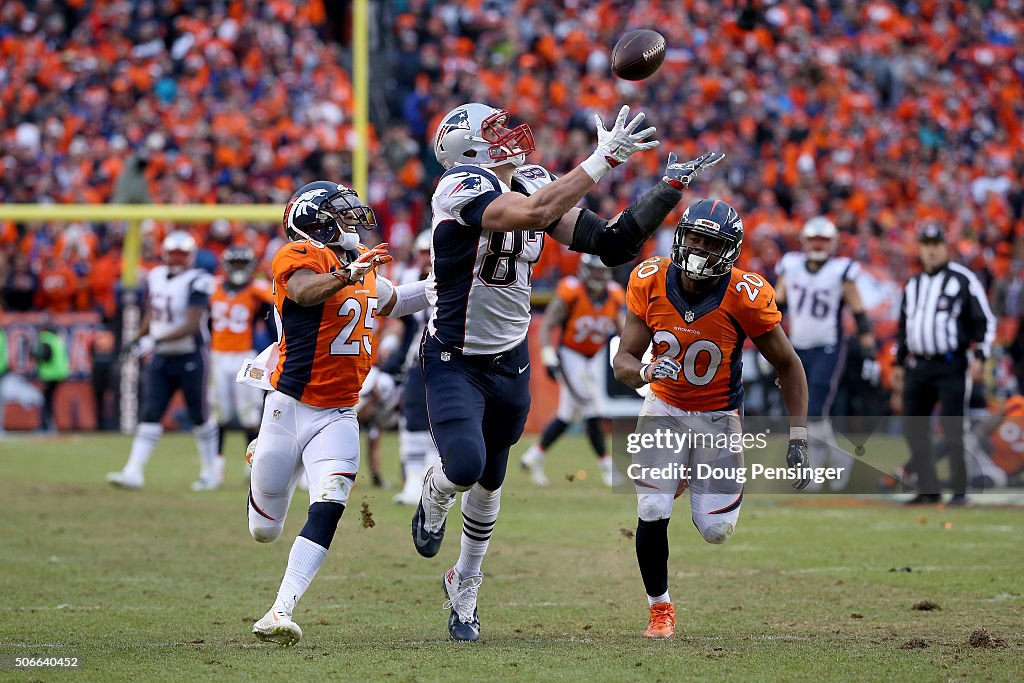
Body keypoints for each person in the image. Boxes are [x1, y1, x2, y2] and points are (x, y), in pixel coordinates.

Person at [411, 100, 724, 641]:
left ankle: (465, 586)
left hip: (508, 357)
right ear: (468, 148)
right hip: (454, 354)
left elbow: (611, 244)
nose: (509, 135)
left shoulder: (532, 178)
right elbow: (531, 215)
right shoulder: (458, 187)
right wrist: (600, 160)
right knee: (463, 466)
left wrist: (668, 188)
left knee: (491, 478)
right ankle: (433, 495)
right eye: (494, 131)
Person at [612, 198, 810, 639]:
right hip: (663, 406)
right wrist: (645, 371)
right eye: (695, 238)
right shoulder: (650, 279)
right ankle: (659, 609)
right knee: (651, 506)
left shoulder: (745, 295)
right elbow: (623, 360)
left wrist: (798, 438)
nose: (700, 250)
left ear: (731, 250)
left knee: (716, 530)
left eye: (711, 242)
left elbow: (790, 365)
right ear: (681, 236)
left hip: (718, 416)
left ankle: (685, 476)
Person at [247, 180, 429, 646]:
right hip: (289, 407)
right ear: (314, 221)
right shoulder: (298, 257)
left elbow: (398, 301)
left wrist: (444, 283)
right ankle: (261, 454)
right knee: (263, 531)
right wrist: (349, 274)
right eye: (340, 214)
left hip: (339, 414)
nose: (351, 222)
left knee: (330, 501)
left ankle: (279, 610)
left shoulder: (359, 265)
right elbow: (307, 293)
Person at [106, 231, 219, 491]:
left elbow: (192, 324)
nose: (177, 259)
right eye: (173, 254)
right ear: (165, 254)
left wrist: (155, 340)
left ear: (191, 256)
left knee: (198, 415)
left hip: (191, 355)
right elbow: (153, 313)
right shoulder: (155, 276)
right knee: (150, 411)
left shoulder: (199, 281)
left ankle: (210, 472)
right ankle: (133, 471)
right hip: (163, 357)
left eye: (182, 254)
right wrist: (138, 337)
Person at [893, 224, 997, 505]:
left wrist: (980, 355)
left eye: (936, 243)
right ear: (920, 248)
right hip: (918, 365)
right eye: (926, 244)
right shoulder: (913, 283)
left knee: (952, 427)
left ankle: (961, 492)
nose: (931, 249)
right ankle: (928, 489)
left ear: (945, 246)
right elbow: (905, 326)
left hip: (951, 363)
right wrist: (899, 363)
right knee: (914, 427)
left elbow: (984, 320)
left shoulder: (963, 280)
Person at [774, 216, 876, 490]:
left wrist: (869, 352)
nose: (818, 245)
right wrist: (767, 348)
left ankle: (827, 462)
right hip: (795, 347)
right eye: (814, 239)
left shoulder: (842, 270)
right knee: (801, 410)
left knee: (816, 408)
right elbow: (774, 310)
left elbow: (859, 312)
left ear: (832, 243)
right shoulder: (790, 265)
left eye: (823, 240)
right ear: (804, 241)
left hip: (828, 347)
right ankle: (828, 460)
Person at [519, 254, 625, 486]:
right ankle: (607, 468)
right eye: (594, 271)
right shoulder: (572, 291)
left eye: (601, 271)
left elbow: (623, 330)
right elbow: (547, 326)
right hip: (571, 355)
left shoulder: (615, 295)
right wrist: (548, 357)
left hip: (595, 357)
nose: (598, 275)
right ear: (585, 271)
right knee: (592, 409)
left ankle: (533, 457)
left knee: (567, 415)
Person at [209, 245, 274, 484]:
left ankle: (252, 465)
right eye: (234, 264)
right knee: (220, 413)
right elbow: (206, 323)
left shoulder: (258, 292)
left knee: (250, 414)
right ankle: (215, 468)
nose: (238, 269)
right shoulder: (212, 288)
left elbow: (271, 323)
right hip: (218, 355)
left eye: (241, 264)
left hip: (245, 357)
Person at [390, 230, 440, 505]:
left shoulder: (459, 272)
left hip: (450, 359)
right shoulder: (411, 277)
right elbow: (401, 317)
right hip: (418, 356)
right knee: (412, 417)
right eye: (422, 253)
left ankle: (432, 481)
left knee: (440, 421)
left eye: (429, 253)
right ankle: (412, 481)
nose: (426, 259)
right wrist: (390, 343)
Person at [33, 315, 71, 432]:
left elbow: (46, 356)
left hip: (50, 375)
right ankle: (49, 425)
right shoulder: (56, 337)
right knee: (50, 401)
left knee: (46, 401)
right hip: (59, 374)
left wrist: (34, 354)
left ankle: (46, 426)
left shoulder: (46, 339)